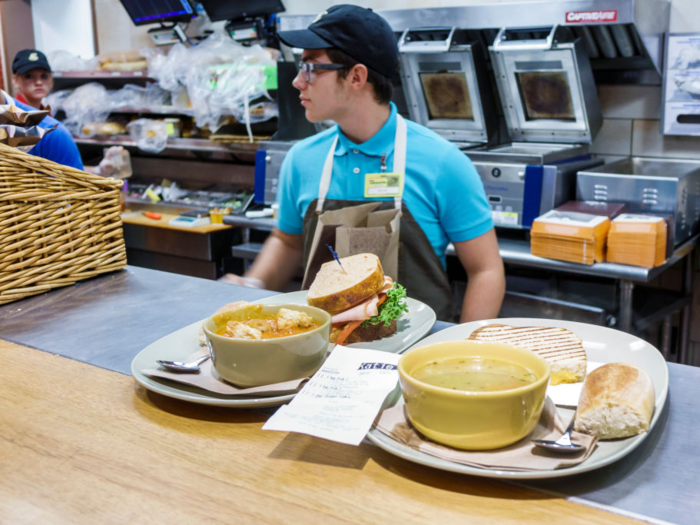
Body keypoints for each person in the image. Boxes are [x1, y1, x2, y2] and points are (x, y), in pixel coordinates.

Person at [221, 4, 504, 323]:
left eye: (311, 68)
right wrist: (253, 283)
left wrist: (460, 349)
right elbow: (287, 242)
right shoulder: (302, 159)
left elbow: (486, 269)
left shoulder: (443, 162)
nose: (298, 82)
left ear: (356, 76)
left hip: (414, 355)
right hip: (323, 352)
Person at [5, 49, 83, 170]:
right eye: (29, 76)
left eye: (44, 76)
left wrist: (97, 170)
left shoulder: (48, 118)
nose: (39, 82)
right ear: (15, 80)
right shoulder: (14, 121)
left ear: (51, 80)